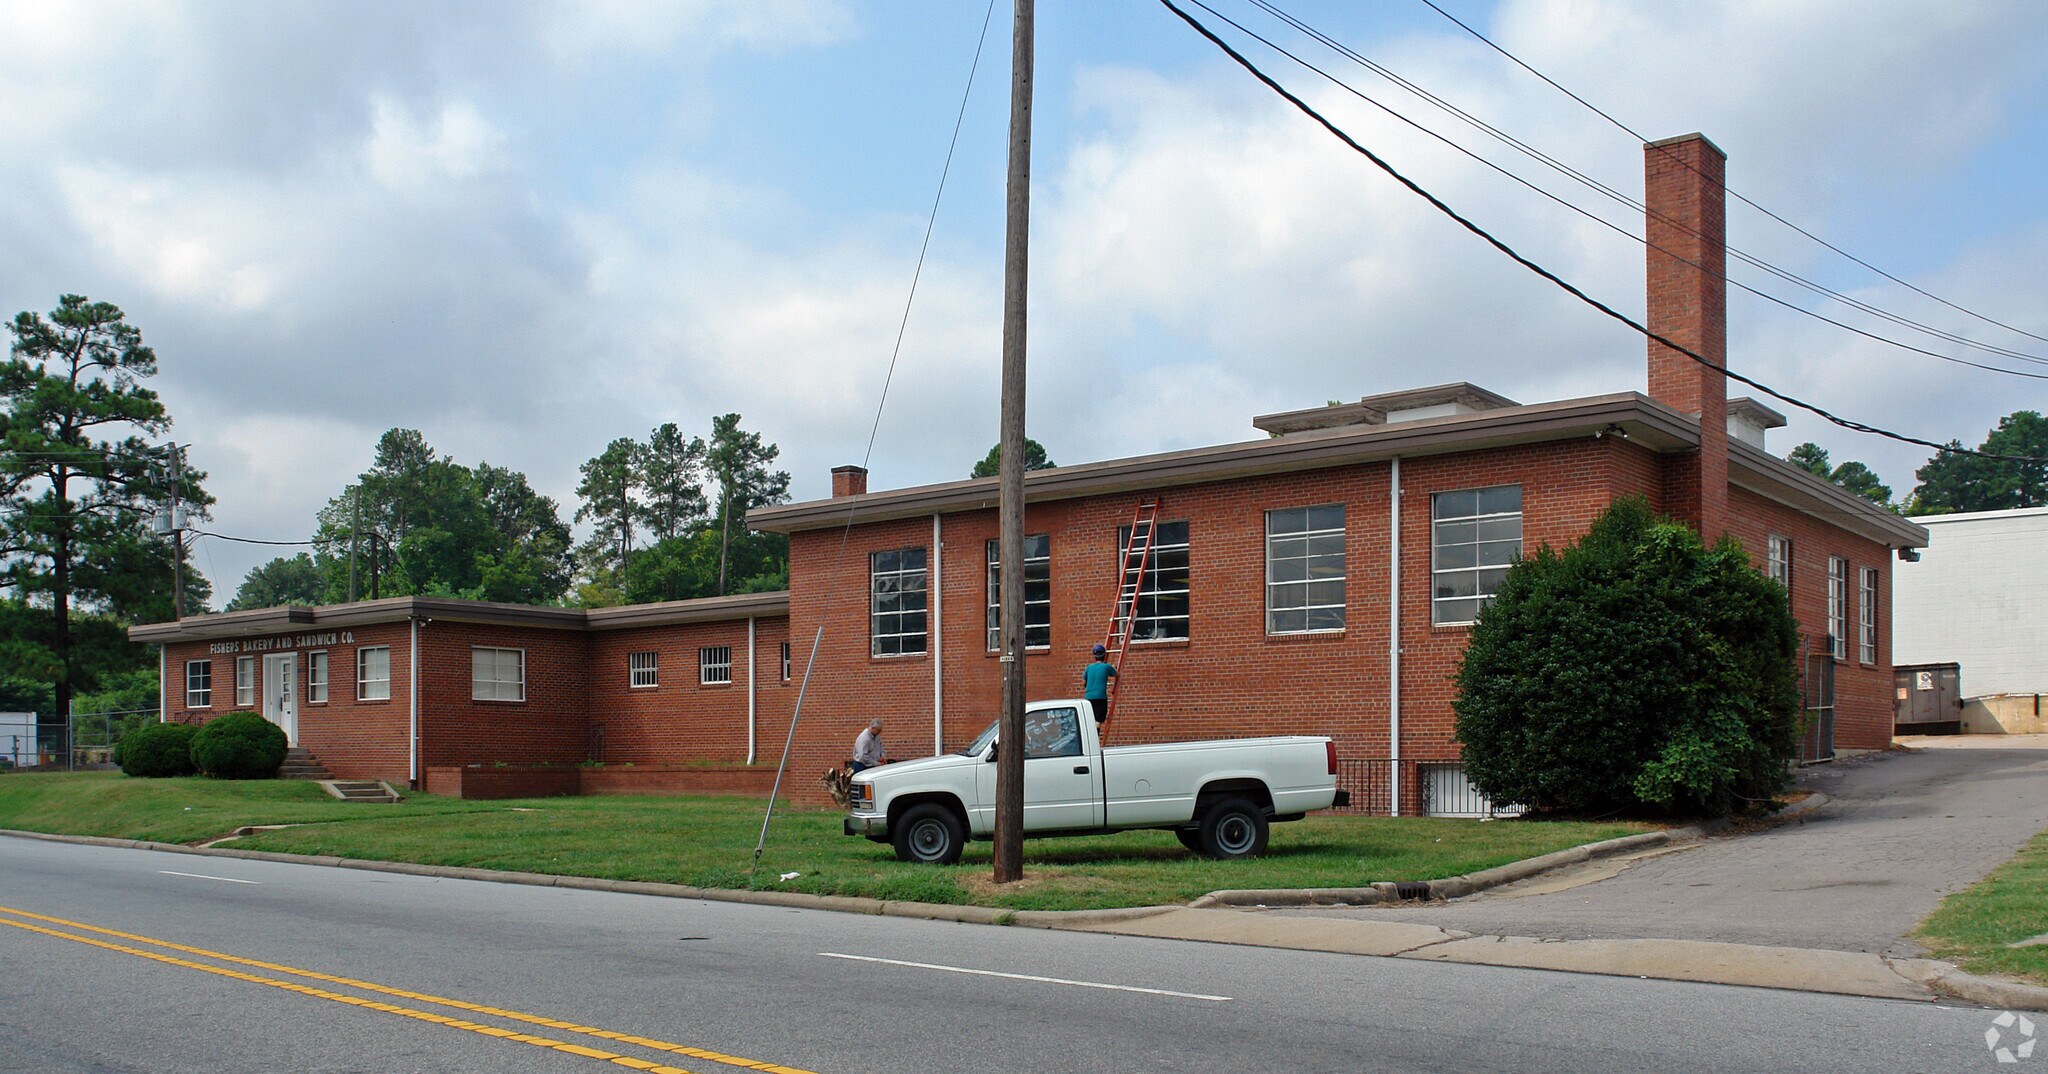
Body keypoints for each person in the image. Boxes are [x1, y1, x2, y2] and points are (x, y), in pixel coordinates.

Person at [1083, 644, 1118, 724]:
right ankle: (1095, 736)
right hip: (1100, 697)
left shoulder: (1089, 667)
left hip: (1088, 697)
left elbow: (1083, 683)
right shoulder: (1107, 667)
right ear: (1104, 655)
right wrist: (1114, 668)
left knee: (1090, 720)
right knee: (1098, 720)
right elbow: (1117, 675)